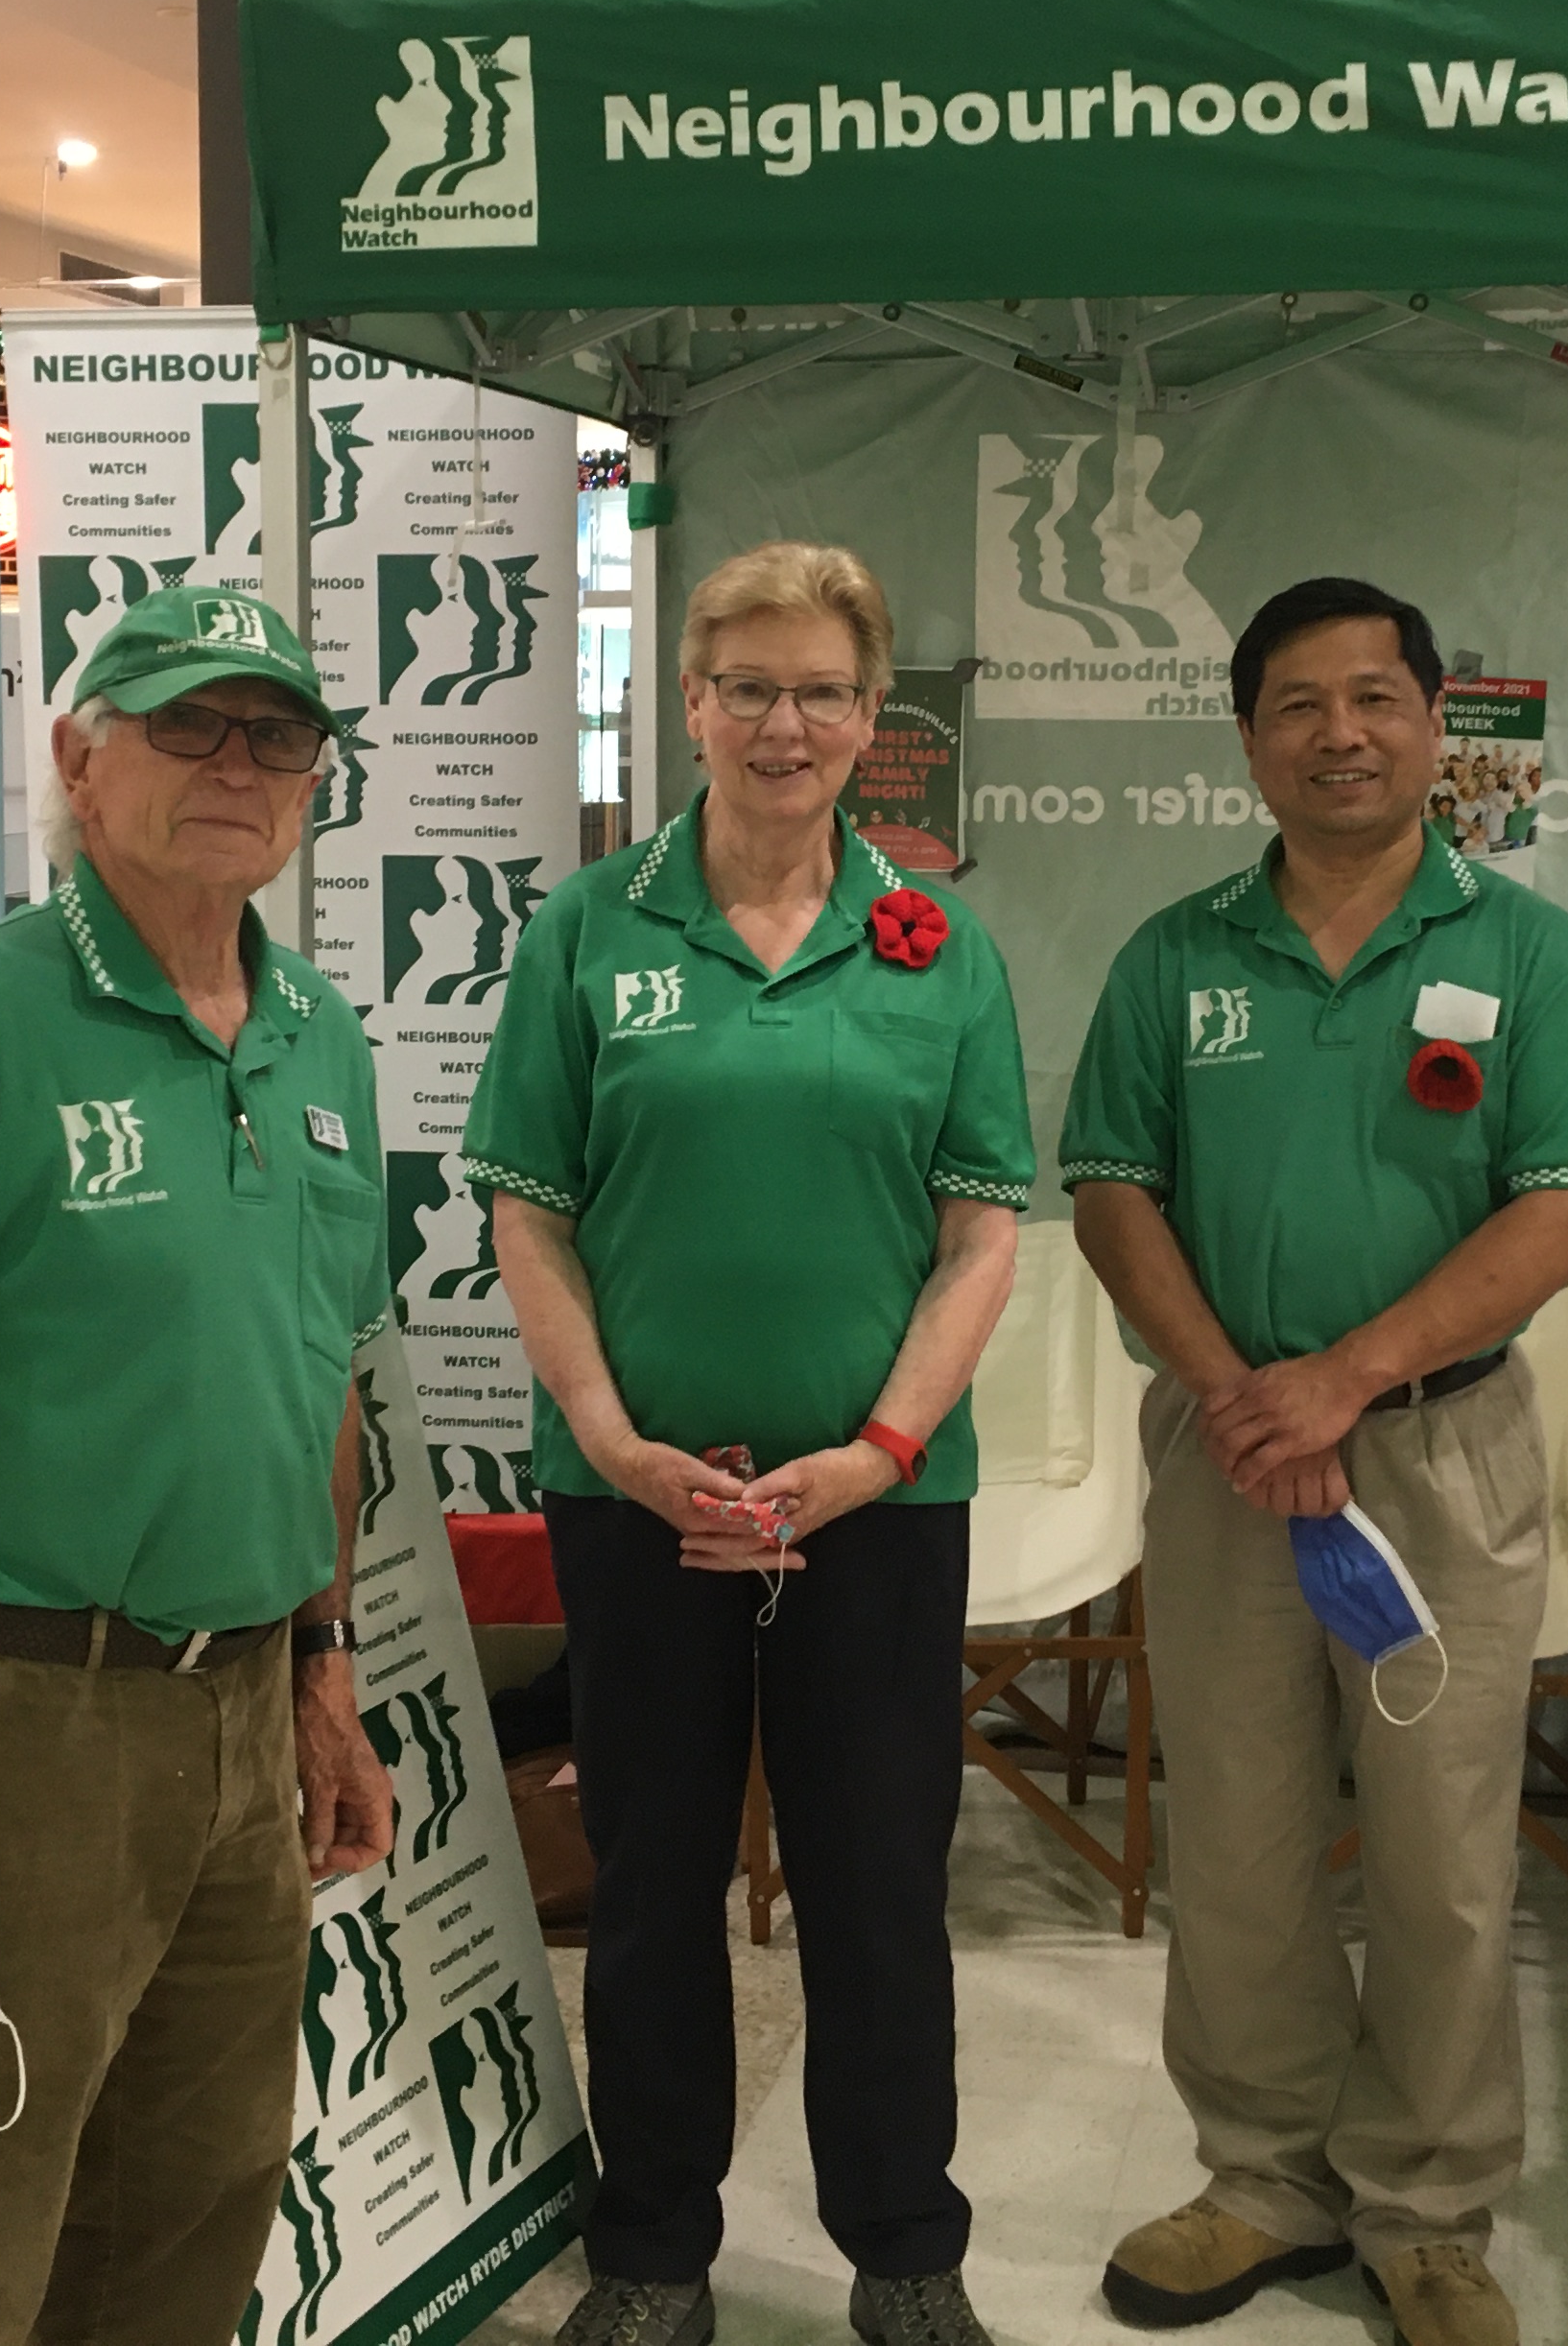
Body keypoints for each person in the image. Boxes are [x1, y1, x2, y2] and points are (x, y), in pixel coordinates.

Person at [0, 583, 397, 2346]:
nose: (237, 765)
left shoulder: (319, 1037)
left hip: (239, 1717)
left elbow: (316, 1382)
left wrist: (322, 1672)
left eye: (276, 734)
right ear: (78, 756)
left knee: (188, 2220)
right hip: (12, 1719)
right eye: (186, 721)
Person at [463, 539, 1031, 2346]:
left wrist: (876, 1446)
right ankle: (651, 2253)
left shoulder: (936, 945)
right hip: (640, 1503)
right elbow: (529, 1210)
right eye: (749, 686)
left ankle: (904, 2250)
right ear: (687, 699)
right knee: (648, 1886)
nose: (786, 723)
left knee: (878, 1888)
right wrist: (615, 1438)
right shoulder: (587, 931)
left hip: (874, 1505)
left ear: (876, 721)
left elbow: (982, 1226)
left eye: (826, 692)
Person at [1065, 578, 1568, 2346]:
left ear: (1433, 722)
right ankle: (1261, 2178)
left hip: (1440, 1453)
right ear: (1249, 741)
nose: (1340, 733)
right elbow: (1110, 1187)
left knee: (1442, 1848)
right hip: (1230, 1454)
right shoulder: (1177, 956)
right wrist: (1247, 1394)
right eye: (1298, 705)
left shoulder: (1529, 955)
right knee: (1232, 1834)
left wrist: (1349, 1378)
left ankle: (1431, 2208)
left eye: (1376, 698)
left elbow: (1566, 1211)